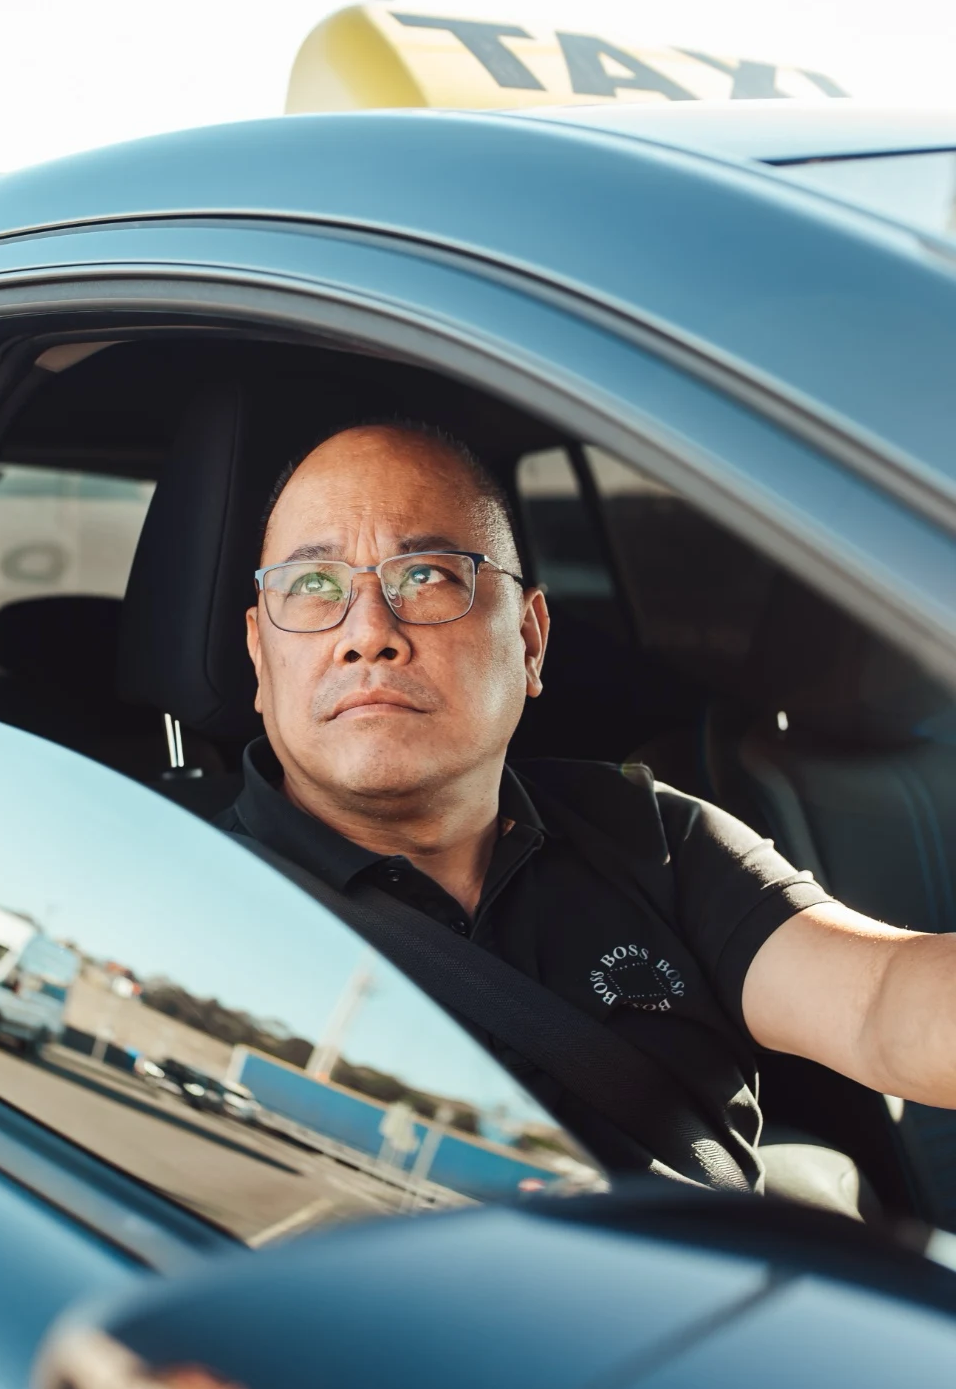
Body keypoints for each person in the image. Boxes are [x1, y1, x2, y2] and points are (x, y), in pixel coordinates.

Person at [219, 419, 956, 1197]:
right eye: (313, 586)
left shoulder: (651, 834)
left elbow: (880, 1001)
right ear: (261, 658)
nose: (368, 633)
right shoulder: (184, 893)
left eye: (427, 575)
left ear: (530, 641)